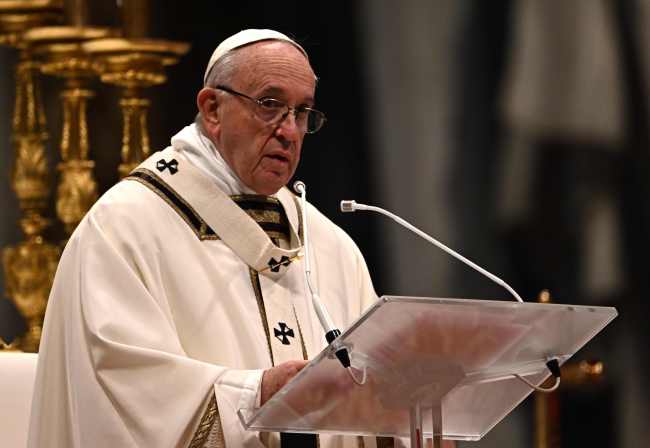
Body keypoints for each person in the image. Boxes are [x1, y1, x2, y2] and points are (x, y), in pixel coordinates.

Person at [27, 29, 380, 448]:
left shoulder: (328, 245)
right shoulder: (124, 227)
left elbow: (377, 385)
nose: (289, 131)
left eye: (302, 112)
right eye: (270, 104)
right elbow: (115, 388)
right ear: (212, 109)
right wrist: (256, 395)